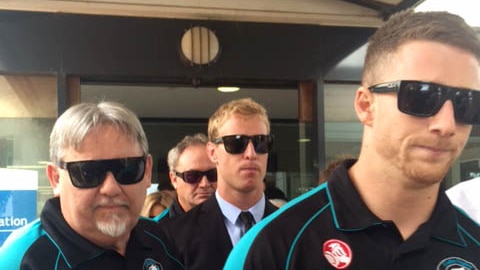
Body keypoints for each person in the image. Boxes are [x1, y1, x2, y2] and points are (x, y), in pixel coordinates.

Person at [225, 10, 480, 269]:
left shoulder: (474, 245)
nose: (447, 124)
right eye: (421, 96)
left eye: (467, 103)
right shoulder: (274, 247)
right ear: (366, 106)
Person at [0, 101, 184, 269]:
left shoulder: (156, 237)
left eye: (127, 169)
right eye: (88, 172)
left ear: (147, 171)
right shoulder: (22, 259)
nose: (111, 188)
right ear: (55, 178)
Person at [160, 98, 278, 270]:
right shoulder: (173, 235)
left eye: (261, 142)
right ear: (212, 152)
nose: (251, 154)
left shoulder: (296, 229)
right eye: (236, 143)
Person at [160, 133, 217, 219]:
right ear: (174, 179)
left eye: (213, 174)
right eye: (193, 176)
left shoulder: (239, 225)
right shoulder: (157, 230)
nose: (205, 184)